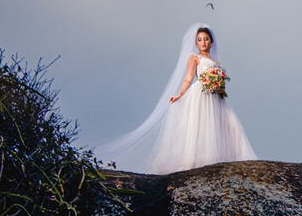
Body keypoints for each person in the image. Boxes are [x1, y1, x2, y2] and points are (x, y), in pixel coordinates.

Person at [96, 24, 257, 174]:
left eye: (206, 39)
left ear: (211, 42)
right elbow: (189, 77)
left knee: (232, 127)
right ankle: (200, 163)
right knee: (201, 127)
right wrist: (179, 94)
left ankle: (230, 162)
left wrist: (220, 87)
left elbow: (222, 83)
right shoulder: (195, 57)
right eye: (200, 39)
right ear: (196, 42)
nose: (203, 42)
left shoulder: (217, 63)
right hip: (201, 95)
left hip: (216, 98)